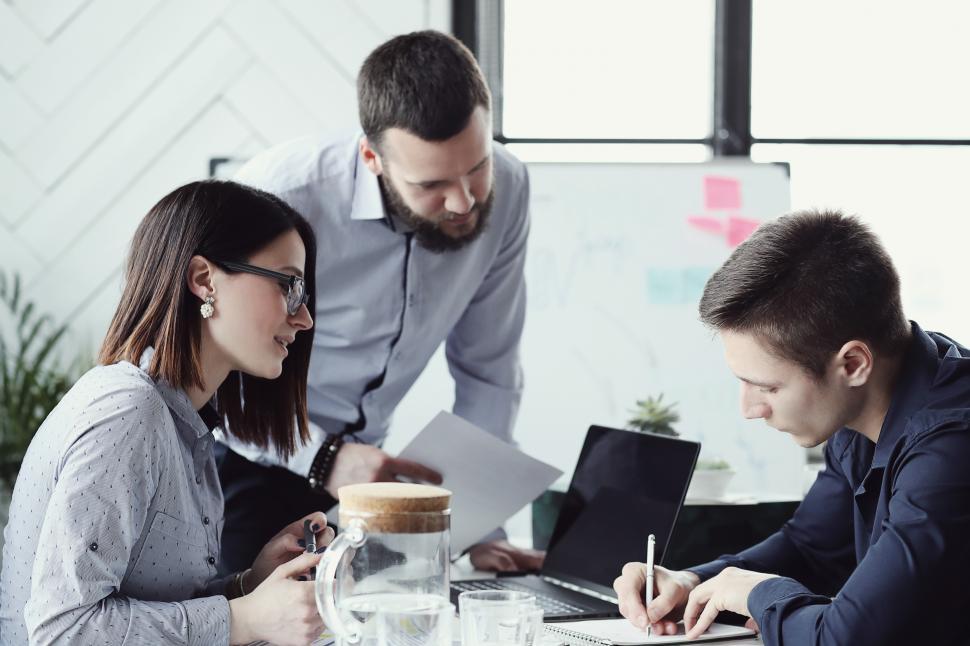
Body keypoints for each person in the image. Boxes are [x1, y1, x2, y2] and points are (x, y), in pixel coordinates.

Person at [215, 29, 541, 574]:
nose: (464, 201)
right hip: (251, 458)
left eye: (477, 166)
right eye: (432, 183)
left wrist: (475, 529)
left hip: (366, 475)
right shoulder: (282, 195)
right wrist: (322, 458)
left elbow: (489, 371)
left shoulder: (506, 188)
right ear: (372, 157)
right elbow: (216, 365)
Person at [612, 211, 970, 645]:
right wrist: (692, 582)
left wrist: (759, 592)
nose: (748, 409)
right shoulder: (863, 404)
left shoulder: (952, 446)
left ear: (853, 364)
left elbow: (843, 639)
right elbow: (812, 548)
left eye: (767, 387)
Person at [0, 180, 333, 646]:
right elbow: (62, 631)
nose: (304, 318)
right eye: (288, 285)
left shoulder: (184, 422)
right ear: (204, 280)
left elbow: (149, 604)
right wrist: (245, 620)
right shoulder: (127, 413)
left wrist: (249, 587)